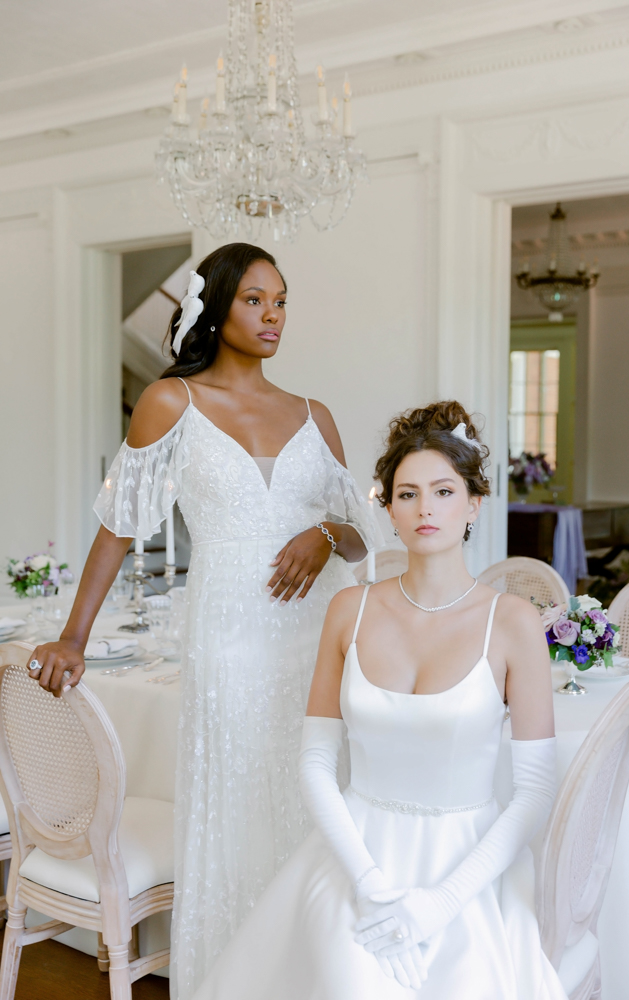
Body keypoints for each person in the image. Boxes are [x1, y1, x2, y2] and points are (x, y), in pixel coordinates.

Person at [27, 243, 377, 999]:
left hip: (312, 643)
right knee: (238, 805)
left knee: (318, 797)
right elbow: (118, 529)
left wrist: (320, 538)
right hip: (228, 640)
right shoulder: (170, 402)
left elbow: (358, 534)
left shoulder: (314, 414)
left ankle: (321, 976)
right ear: (214, 309)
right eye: (254, 299)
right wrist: (73, 637)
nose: (272, 314)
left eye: (281, 300)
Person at [192, 400, 567, 1000]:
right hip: (355, 855)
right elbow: (315, 762)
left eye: (444, 492)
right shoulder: (350, 609)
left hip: (467, 868)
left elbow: (535, 791)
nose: (425, 509)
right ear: (388, 507)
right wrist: (368, 883)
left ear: (474, 502)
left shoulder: (514, 621)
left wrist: (439, 904)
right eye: (408, 493)